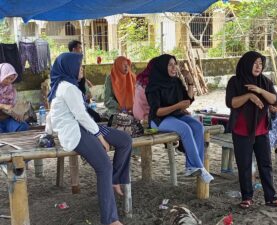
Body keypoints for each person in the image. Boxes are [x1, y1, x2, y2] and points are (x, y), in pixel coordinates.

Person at [47, 52, 132, 225]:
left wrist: (97, 131)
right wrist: (99, 135)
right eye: (79, 65)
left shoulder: (68, 85)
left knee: (125, 140)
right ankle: (110, 219)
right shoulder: (67, 87)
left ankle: (115, 179)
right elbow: (80, 115)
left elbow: (65, 114)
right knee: (104, 166)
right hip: (76, 132)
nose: (82, 68)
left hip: (84, 127)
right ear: (70, 67)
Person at [225, 51, 277, 209]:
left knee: (265, 164)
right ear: (247, 64)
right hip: (242, 131)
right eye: (254, 63)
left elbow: (275, 100)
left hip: (261, 131)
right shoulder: (235, 81)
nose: (258, 66)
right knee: (245, 165)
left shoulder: (264, 81)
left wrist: (260, 91)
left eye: (260, 63)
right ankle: (247, 197)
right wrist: (248, 96)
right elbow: (231, 102)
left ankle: (271, 197)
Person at [145, 54, 214, 184]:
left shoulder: (175, 81)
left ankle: (193, 166)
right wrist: (177, 106)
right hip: (158, 120)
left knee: (198, 126)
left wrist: (190, 82)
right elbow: (157, 112)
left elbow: (187, 99)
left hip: (175, 115)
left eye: (175, 64)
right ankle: (197, 166)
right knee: (185, 128)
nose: (174, 67)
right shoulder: (153, 86)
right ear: (162, 67)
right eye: (170, 65)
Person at [0, 63, 29, 133]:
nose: (9, 81)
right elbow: (6, 106)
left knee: (23, 126)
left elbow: (14, 105)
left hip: (7, 119)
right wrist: (3, 106)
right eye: (7, 78)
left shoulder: (11, 89)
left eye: (11, 79)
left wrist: (17, 113)